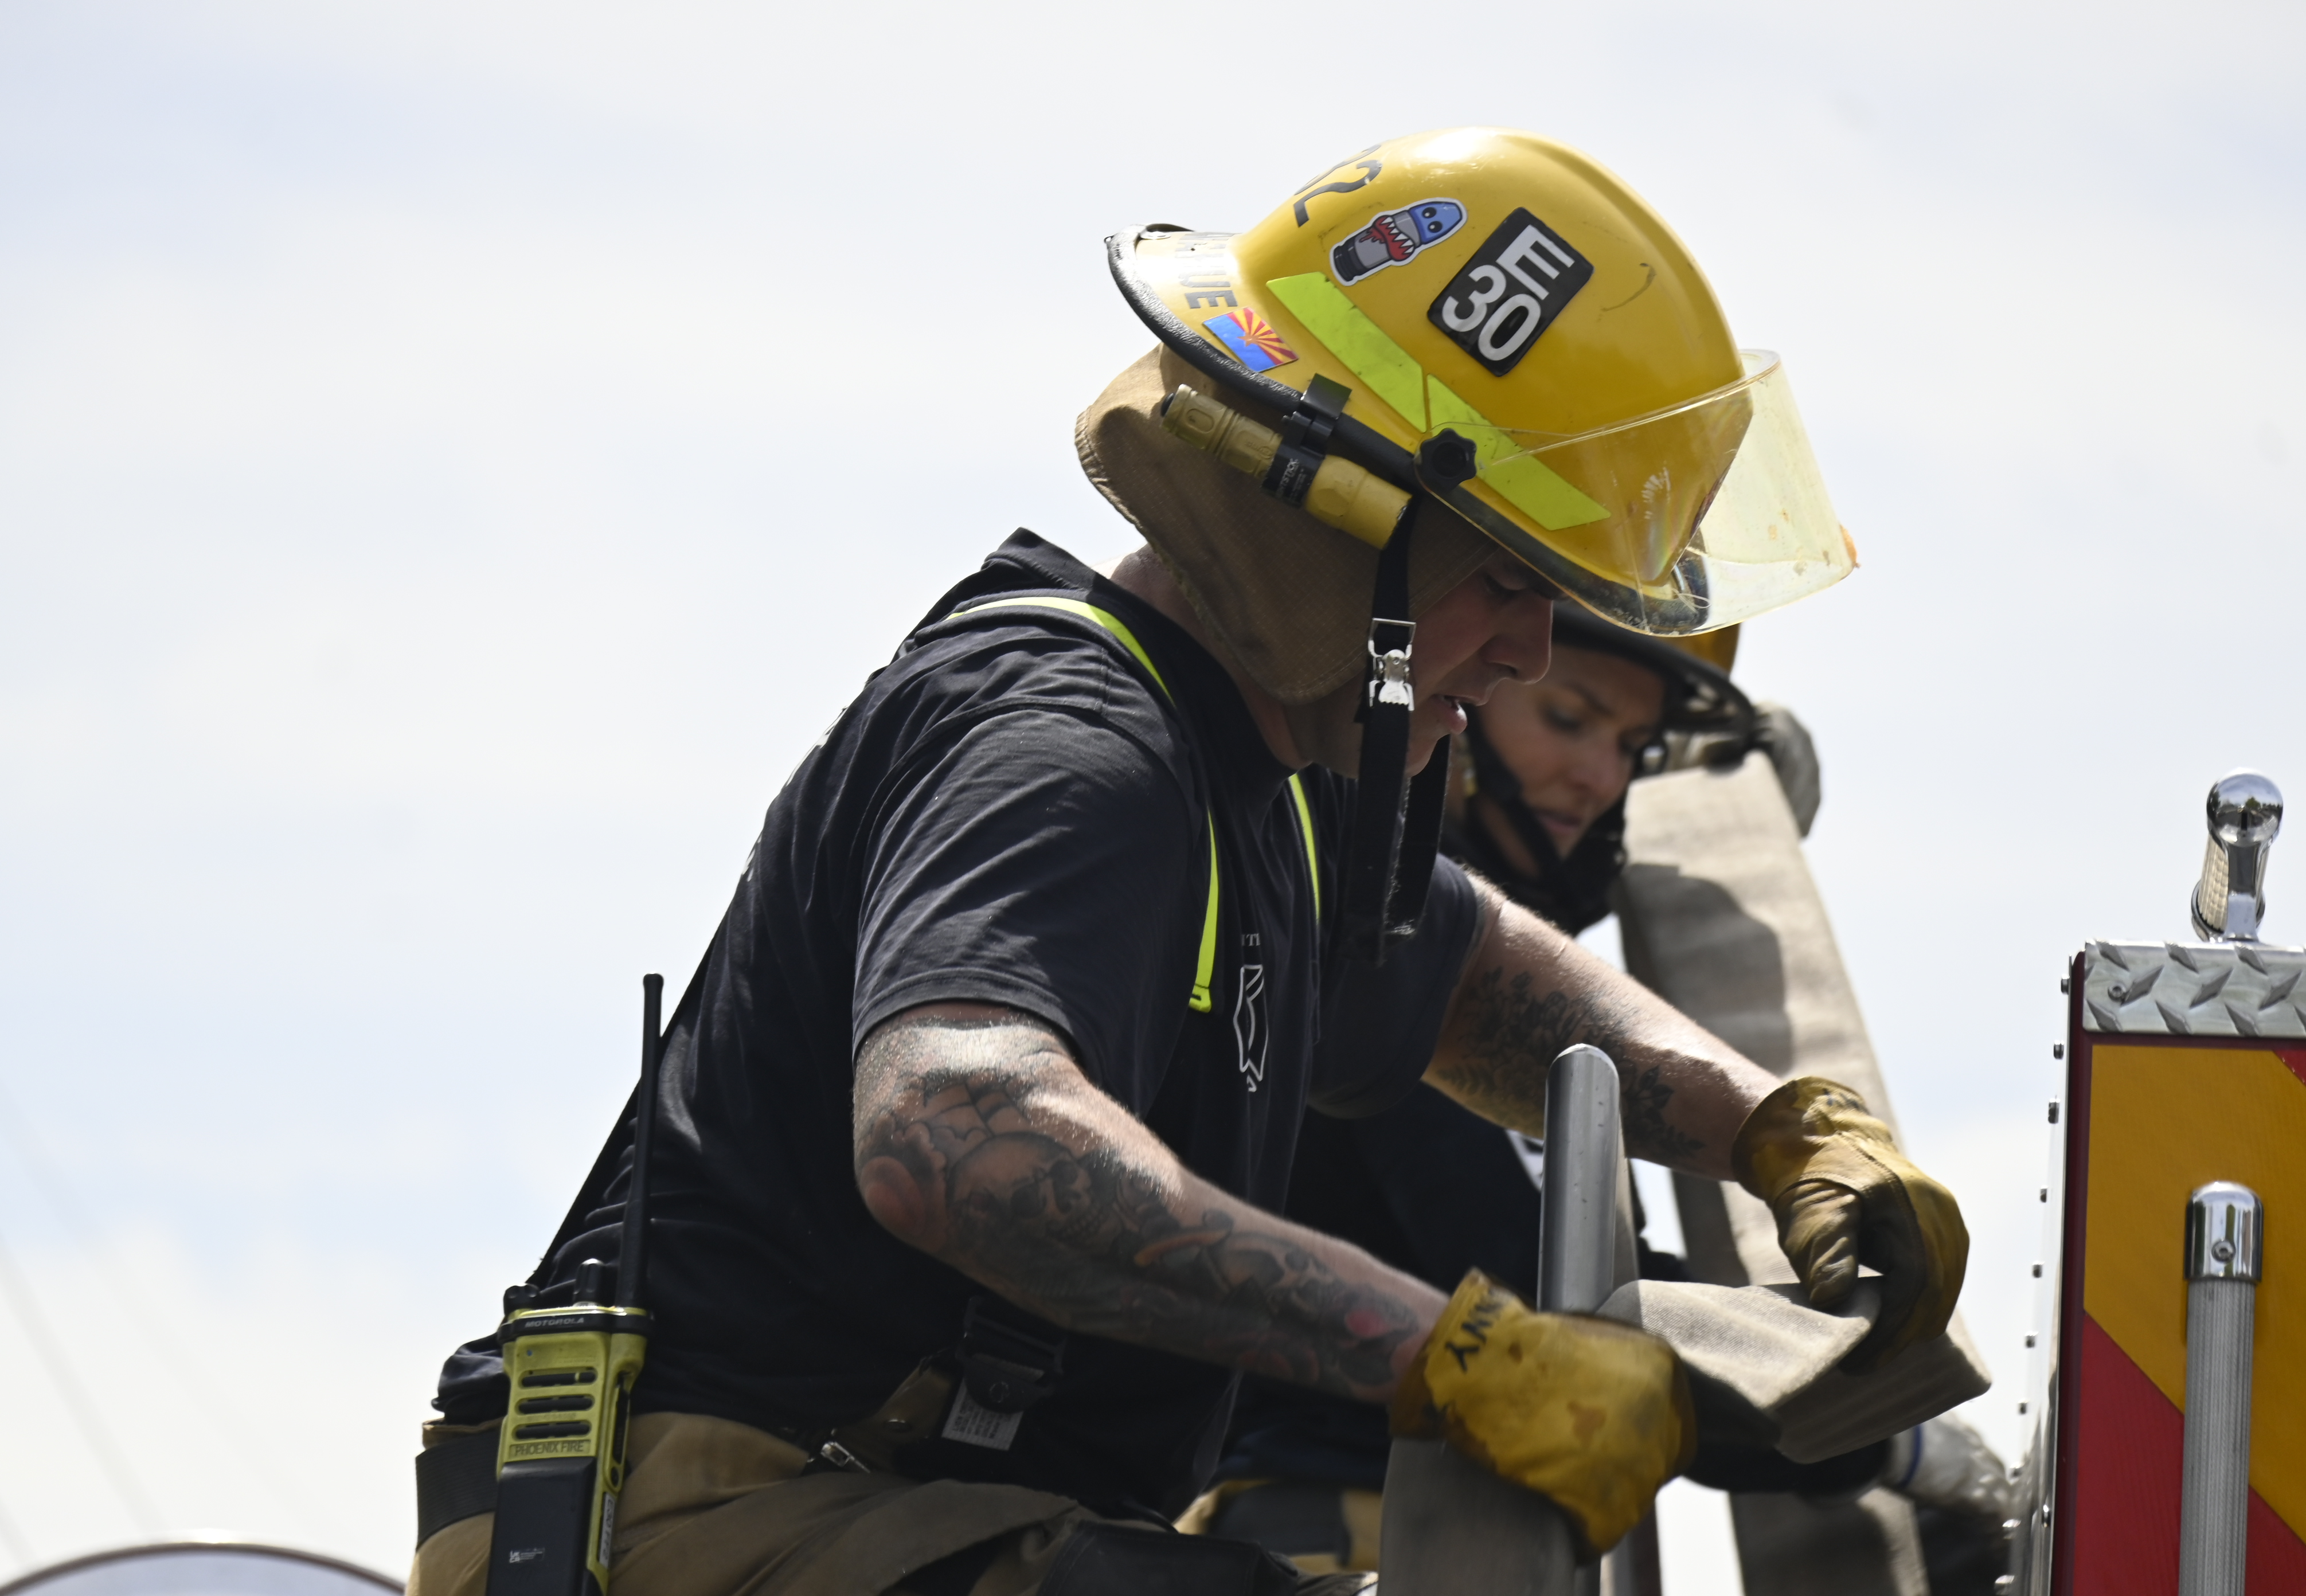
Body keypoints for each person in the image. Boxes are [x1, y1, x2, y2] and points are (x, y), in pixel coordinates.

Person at [405, 128, 1966, 1596]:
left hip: (883, 1512)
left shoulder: (1268, 795)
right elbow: (957, 1132)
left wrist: (1783, 1134)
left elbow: (1476, 982)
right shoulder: (1076, 747)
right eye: (1508, 580)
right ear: (1340, 512)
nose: (1528, 652)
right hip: (710, 1522)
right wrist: (1447, 1355)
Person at [1188, 614, 2009, 1577]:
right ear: (1457, 697)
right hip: (1366, 1537)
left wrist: (1712, 793)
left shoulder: (1387, 901)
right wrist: (1884, 1440)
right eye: (1569, 720)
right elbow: (1567, 1304)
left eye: (1635, 747)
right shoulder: (1388, 949)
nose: (1602, 779)